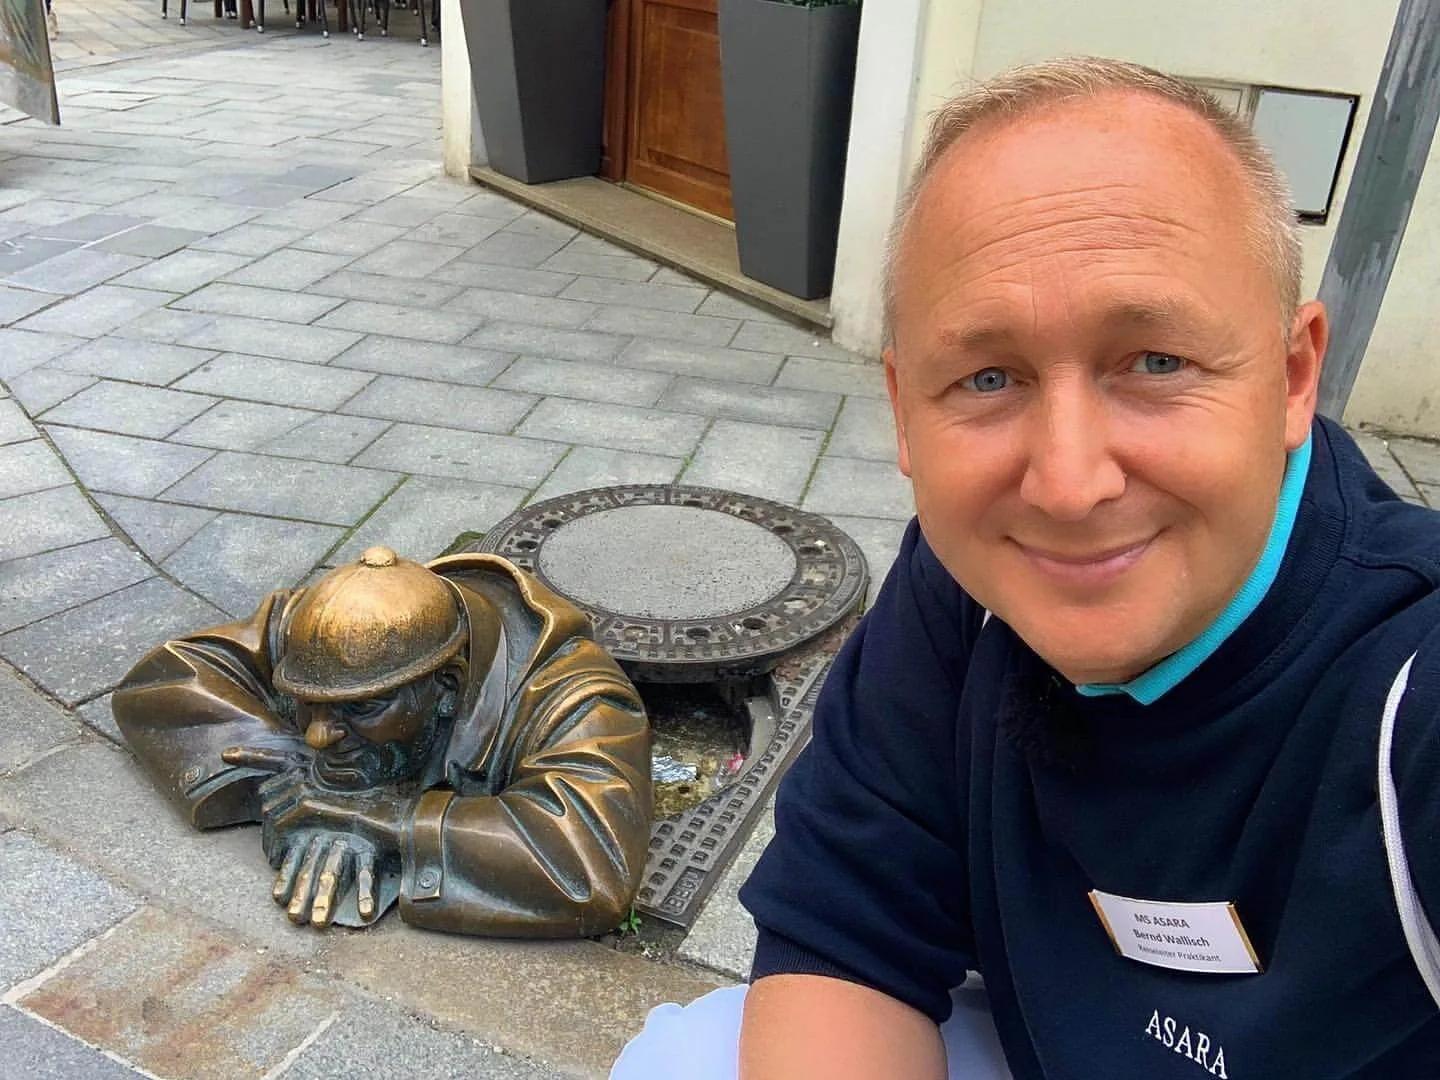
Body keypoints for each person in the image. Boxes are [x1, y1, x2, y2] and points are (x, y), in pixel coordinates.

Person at [612, 56, 1440, 1078]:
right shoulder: (971, 583)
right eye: (989, 378)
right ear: (904, 412)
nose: (1066, 486)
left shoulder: (1408, 690)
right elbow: (847, 935)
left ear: (1293, 375)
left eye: (1156, 362)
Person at [114, 546, 652, 937]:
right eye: (307, 703)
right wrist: (277, 760)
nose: (319, 736)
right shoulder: (322, 631)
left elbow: (591, 865)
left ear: (447, 688)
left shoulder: (578, 698)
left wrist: (388, 819)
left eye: (361, 709)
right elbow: (166, 679)